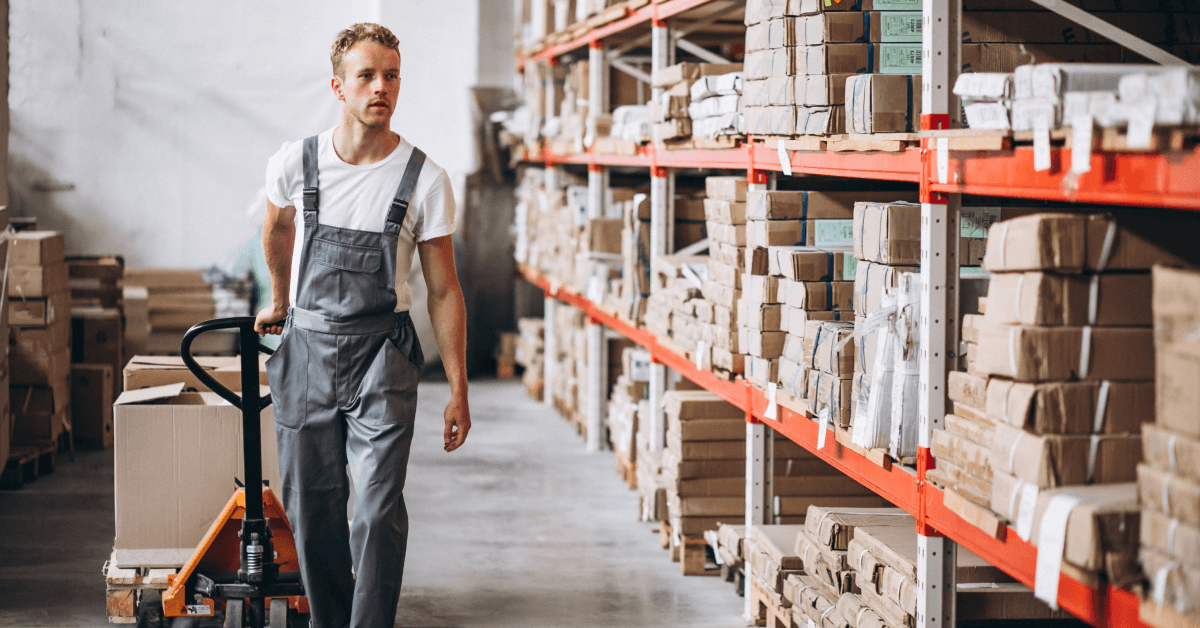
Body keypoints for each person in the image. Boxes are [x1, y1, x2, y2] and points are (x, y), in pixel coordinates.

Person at [254, 22, 471, 628]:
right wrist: (278, 298)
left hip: (383, 354)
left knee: (375, 510)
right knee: (312, 509)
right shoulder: (296, 162)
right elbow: (275, 229)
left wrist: (458, 387)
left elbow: (444, 288)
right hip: (308, 349)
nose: (382, 87)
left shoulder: (424, 178)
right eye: (368, 76)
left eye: (392, 75)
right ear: (338, 87)